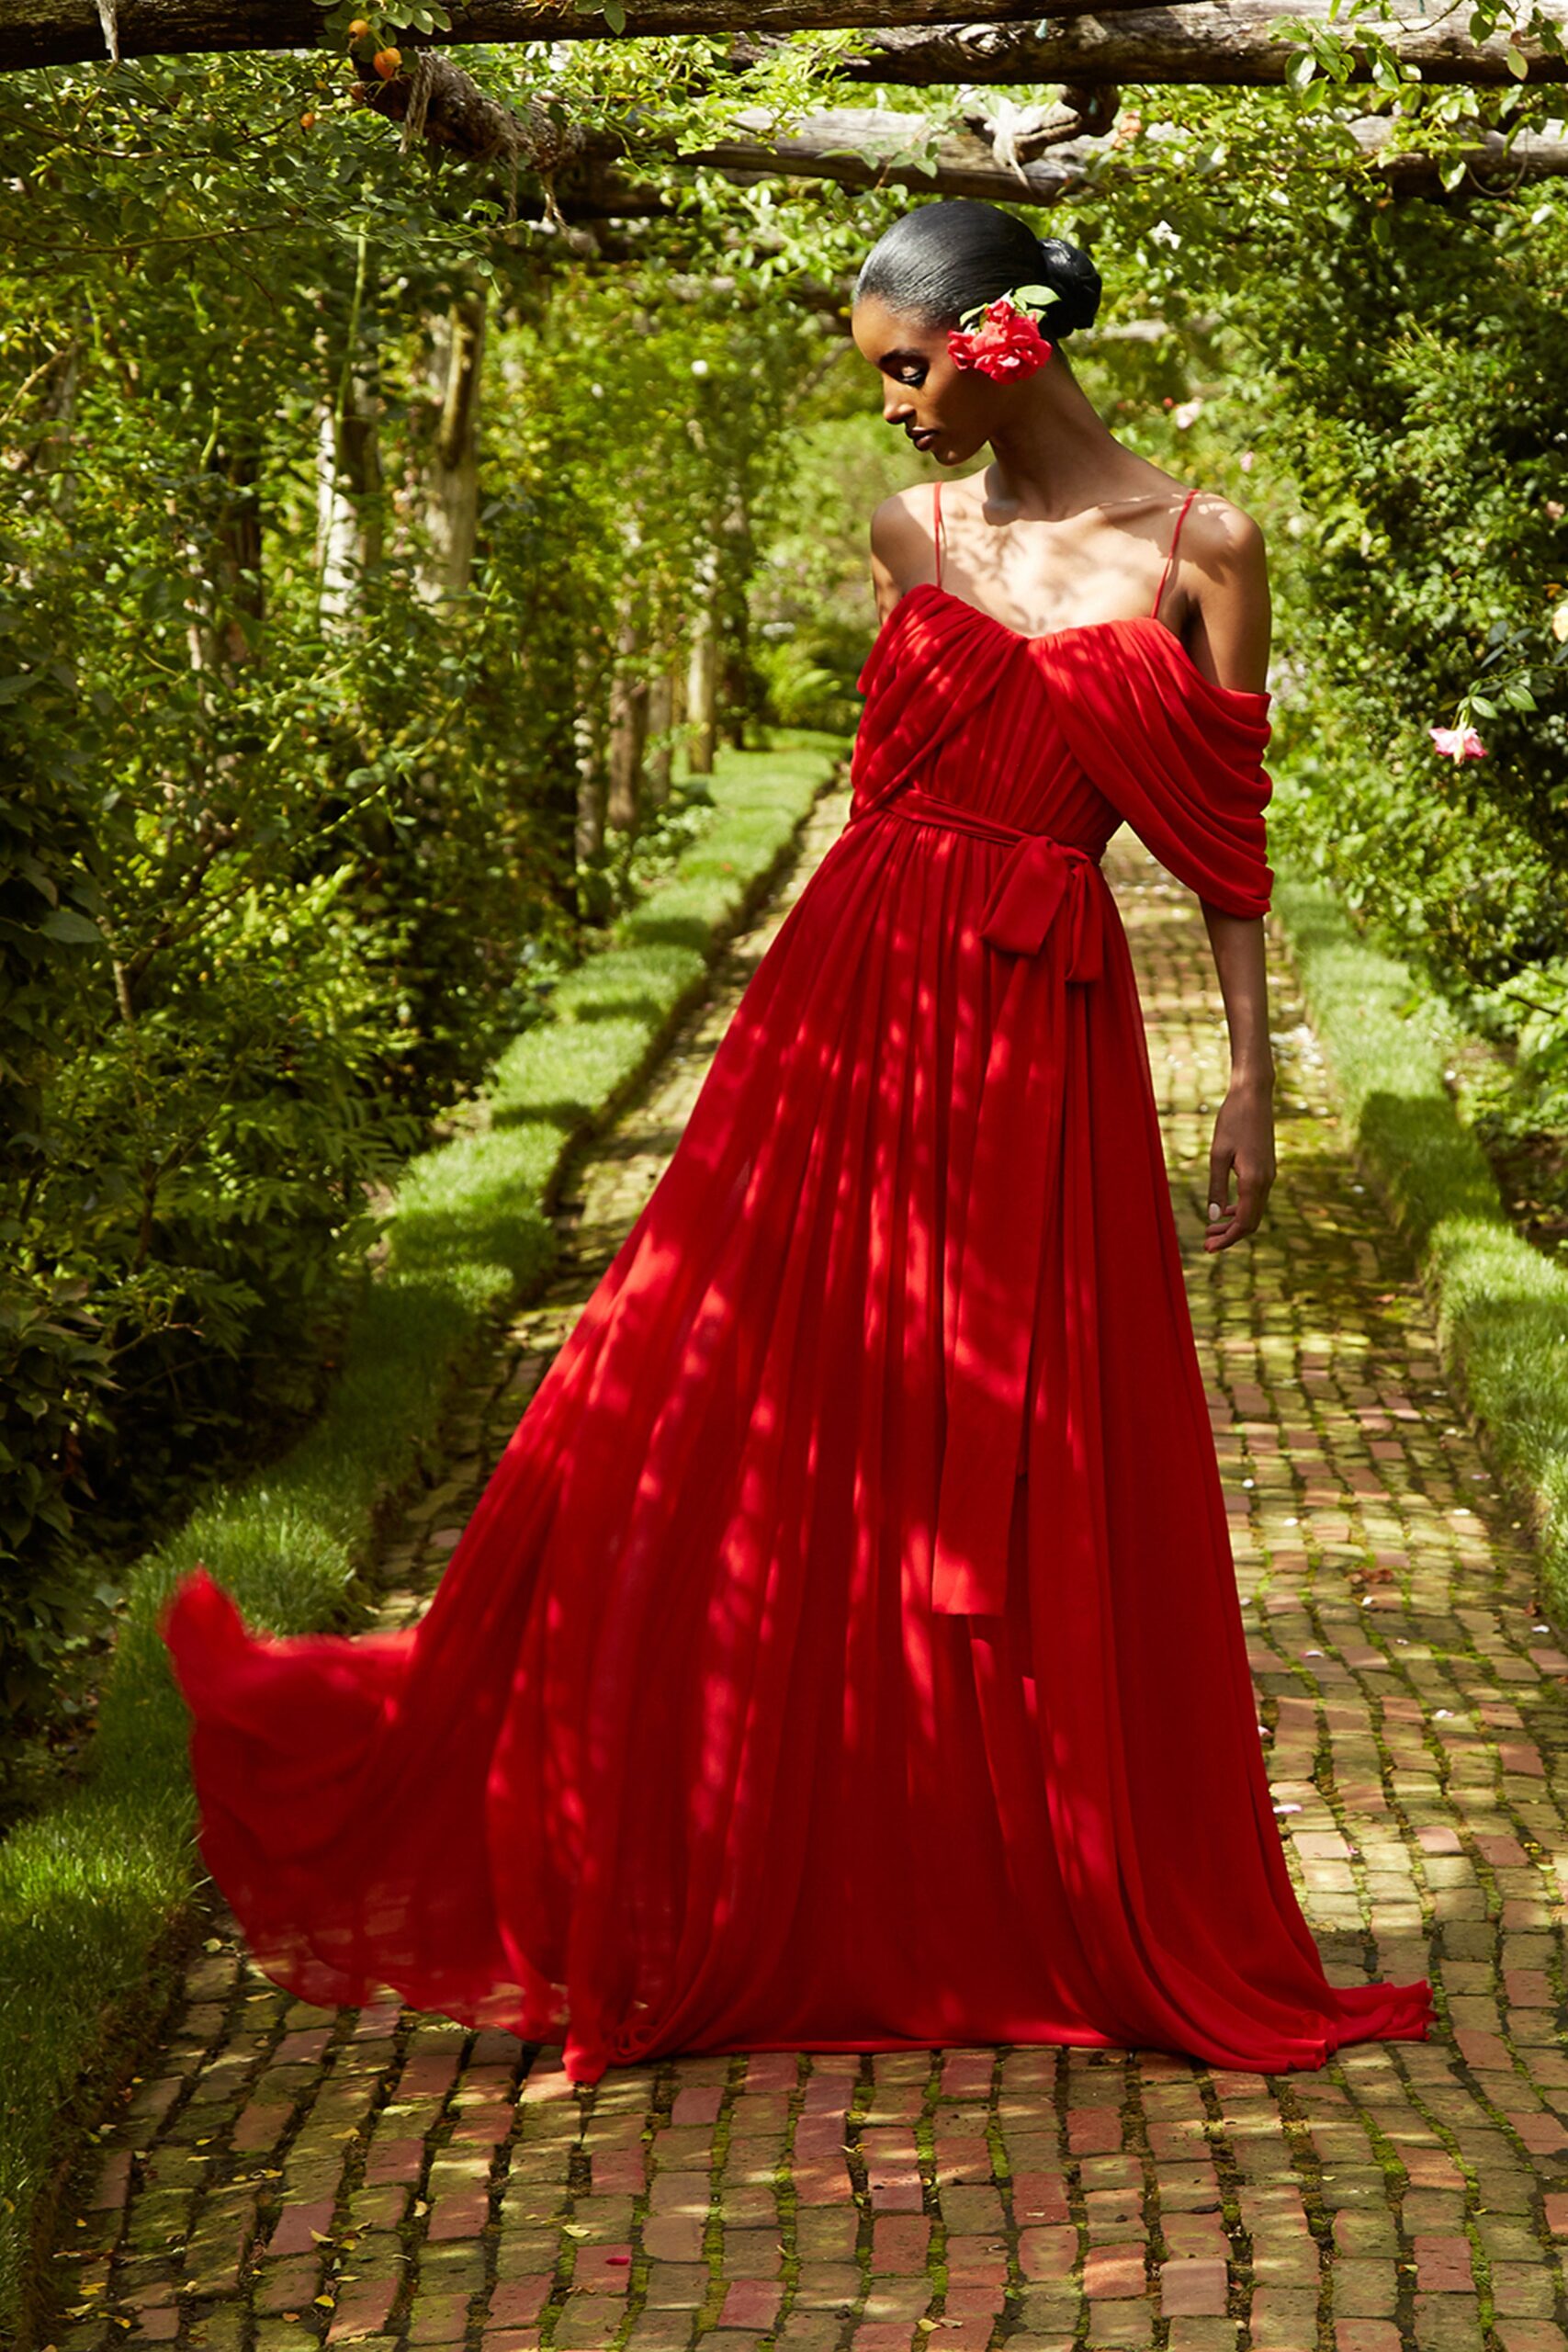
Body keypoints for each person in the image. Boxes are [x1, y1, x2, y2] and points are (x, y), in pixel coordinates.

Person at [161, 198, 1433, 2086]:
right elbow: (885, 789)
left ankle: (1009, 1879)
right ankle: (714, 1847)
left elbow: (1227, 849)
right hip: (842, 1014)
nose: (897, 412)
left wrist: (1244, 1075)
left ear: (1004, 339)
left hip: (1041, 1030)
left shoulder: (1204, 547)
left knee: (1020, 1453)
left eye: (908, 369)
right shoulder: (902, 532)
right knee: (719, 1415)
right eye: (880, 382)